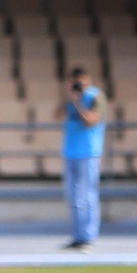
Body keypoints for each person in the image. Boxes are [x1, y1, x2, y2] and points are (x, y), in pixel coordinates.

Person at [59, 66, 107, 252]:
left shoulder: (95, 97)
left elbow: (90, 121)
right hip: (70, 151)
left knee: (88, 195)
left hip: (88, 152)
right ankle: (77, 237)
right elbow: (56, 115)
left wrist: (78, 102)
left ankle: (88, 236)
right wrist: (67, 97)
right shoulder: (70, 98)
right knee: (73, 197)